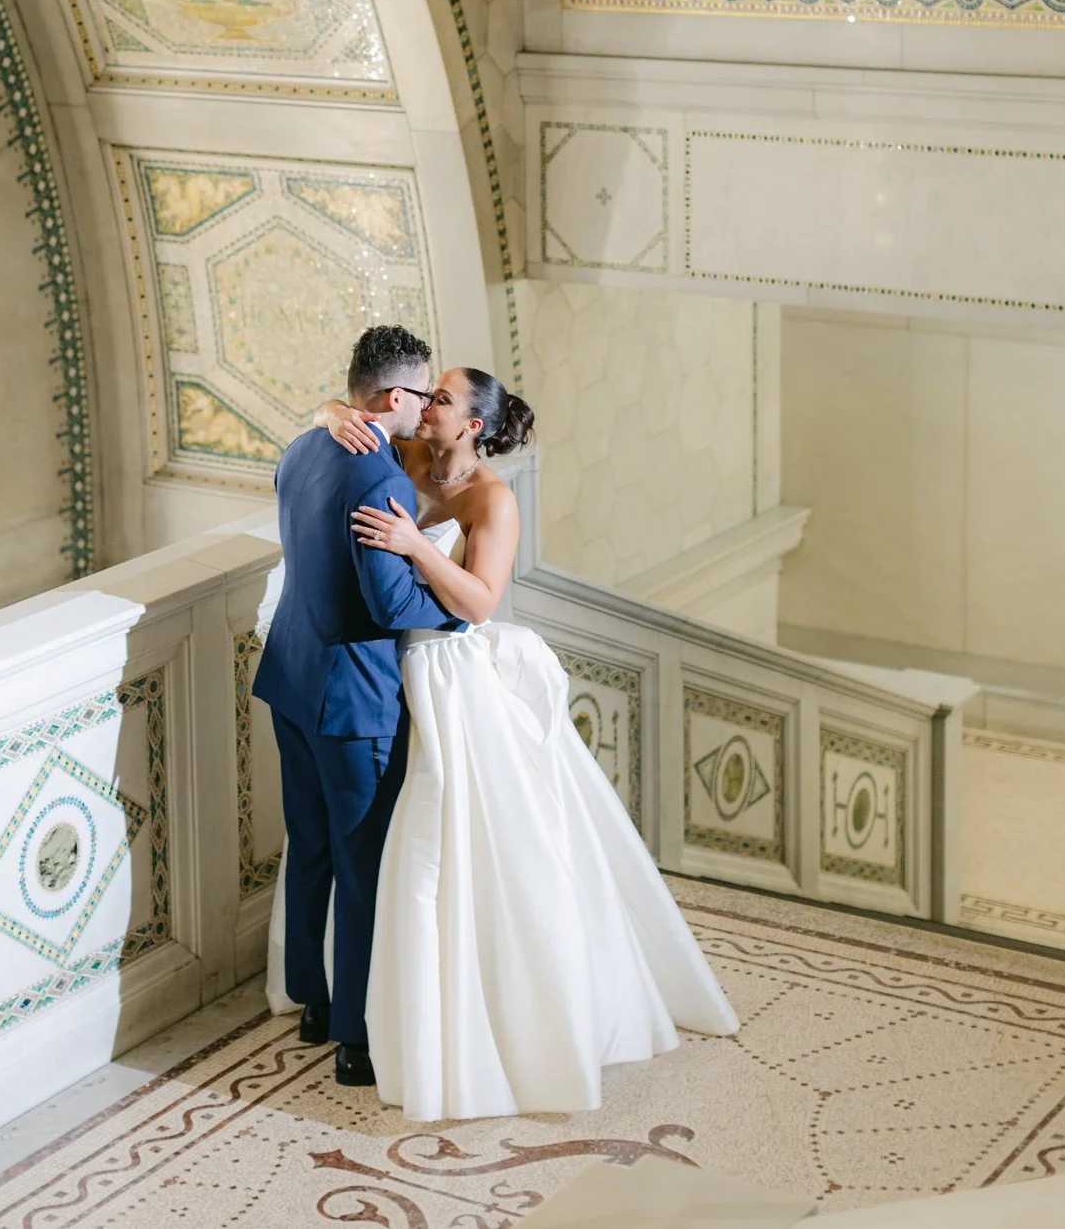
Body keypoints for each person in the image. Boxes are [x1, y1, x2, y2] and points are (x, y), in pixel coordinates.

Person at [313, 363, 740, 1121]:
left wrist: (417, 545)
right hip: (384, 666)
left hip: (445, 667)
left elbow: (479, 602)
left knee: (448, 841)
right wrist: (327, 414)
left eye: (440, 399)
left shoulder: (492, 499)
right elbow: (346, 425)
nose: (423, 405)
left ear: (471, 424)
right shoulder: (405, 457)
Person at [251, 323, 462, 1087]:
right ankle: (356, 1041)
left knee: (308, 850)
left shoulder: (301, 449)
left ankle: (311, 1002)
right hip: (351, 700)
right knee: (362, 867)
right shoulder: (381, 478)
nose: (423, 408)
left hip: (290, 678)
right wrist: (459, 609)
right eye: (422, 392)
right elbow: (391, 600)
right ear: (394, 396)